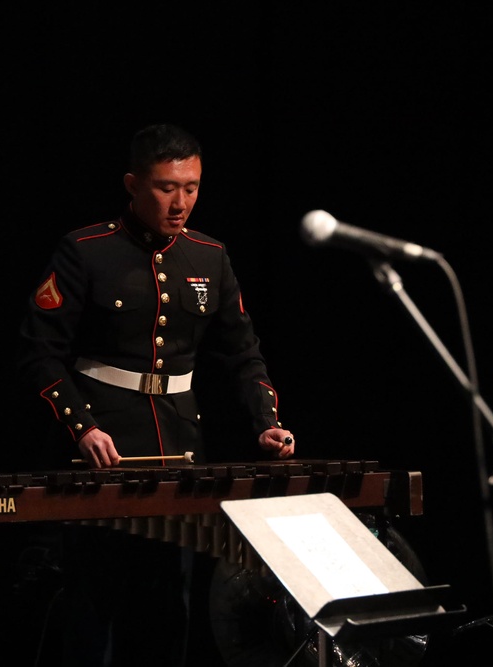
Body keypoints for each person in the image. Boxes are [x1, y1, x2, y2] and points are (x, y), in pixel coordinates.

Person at [16, 122, 295, 666]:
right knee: (93, 617)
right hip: (103, 450)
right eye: (168, 187)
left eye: (191, 187)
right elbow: (38, 353)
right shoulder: (85, 251)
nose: (181, 202)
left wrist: (266, 418)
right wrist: (84, 428)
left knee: (172, 615)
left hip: (181, 452)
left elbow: (243, 353)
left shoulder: (209, 257)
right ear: (133, 184)